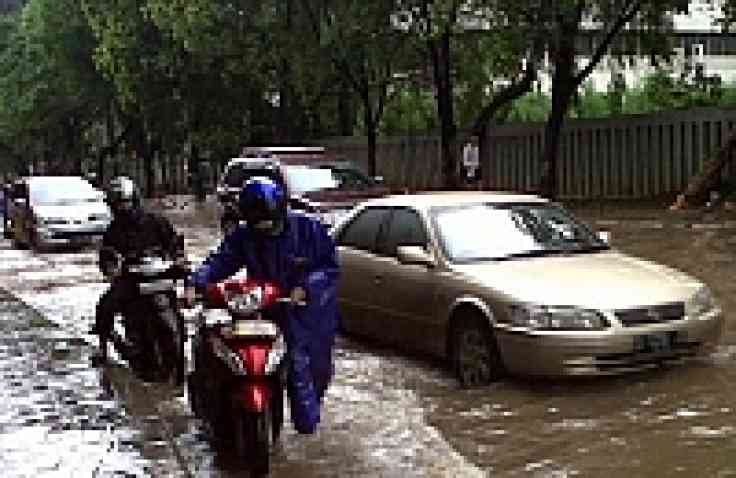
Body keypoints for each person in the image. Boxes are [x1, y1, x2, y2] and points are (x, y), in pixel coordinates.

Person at [184, 176, 340, 435]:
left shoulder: (309, 228)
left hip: (309, 315)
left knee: (310, 374)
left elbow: (330, 266)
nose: (266, 231)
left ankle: (308, 430)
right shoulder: (245, 236)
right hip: (265, 308)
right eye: (260, 226)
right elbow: (220, 260)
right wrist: (196, 283)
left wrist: (307, 287)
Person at [91, 176, 185, 368]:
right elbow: (106, 257)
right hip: (131, 281)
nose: (123, 207)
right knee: (104, 307)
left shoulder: (156, 222)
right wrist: (112, 268)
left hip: (160, 279)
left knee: (179, 307)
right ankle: (102, 347)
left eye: (125, 202)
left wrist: (180, 260)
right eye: (118, 204)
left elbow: (175, 244)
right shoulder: (113, 231)